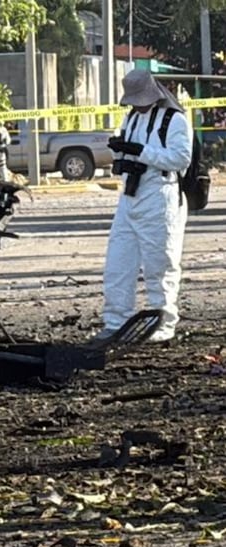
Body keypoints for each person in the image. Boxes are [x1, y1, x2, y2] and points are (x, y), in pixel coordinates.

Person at [97, 70, 192, 344]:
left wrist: (142, 152)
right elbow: (129, 152)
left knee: (159, 264)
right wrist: (120, 149)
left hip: (159, 195)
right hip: (130, 194)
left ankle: (163, 323)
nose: (136, 104)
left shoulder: (174, 120)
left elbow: (180, 159)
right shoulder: (132, 117)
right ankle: (116, 322)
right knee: (118, 264)